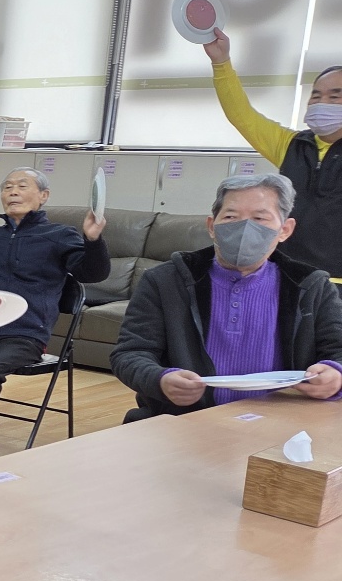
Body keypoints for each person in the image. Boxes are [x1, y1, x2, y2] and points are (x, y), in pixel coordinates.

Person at [111, 173, 342, 421]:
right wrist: (160, 379)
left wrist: (336, 373)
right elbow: (130, 354)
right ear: (212, 226)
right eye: (231, 217)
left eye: (259, 218)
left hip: (281, 424)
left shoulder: (312, 286)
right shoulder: (164, 281)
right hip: (181, 423)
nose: (244, 229)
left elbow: (337, 350)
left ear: (285, 229)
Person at [0, 167, 109, 413]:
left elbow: (93, 274)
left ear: (44, 195)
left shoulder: (59, 235)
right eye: (7, 187)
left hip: (27, 334)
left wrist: (93, 241)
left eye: (22, 186)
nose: (13, 192)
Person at [206, 28, 342, 275]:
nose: (322, 102)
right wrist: (221, 62)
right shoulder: (292, 144)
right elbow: (241, 115)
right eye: (316, 95)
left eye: (335, 96)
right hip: (285, 273)